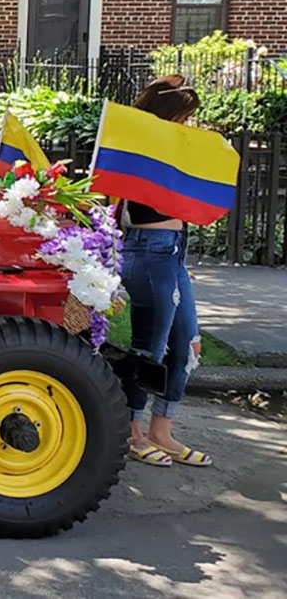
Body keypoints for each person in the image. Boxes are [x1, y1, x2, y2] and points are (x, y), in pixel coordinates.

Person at [122, 74, 212, 469]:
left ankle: (162, 430)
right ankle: (131, 431)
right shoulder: (141, 148)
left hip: (173, 253)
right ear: (167, 114)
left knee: (187, 344)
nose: (188, 124)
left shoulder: (179, 148)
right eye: (183, 116)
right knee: (150, 348)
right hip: (147, 249)